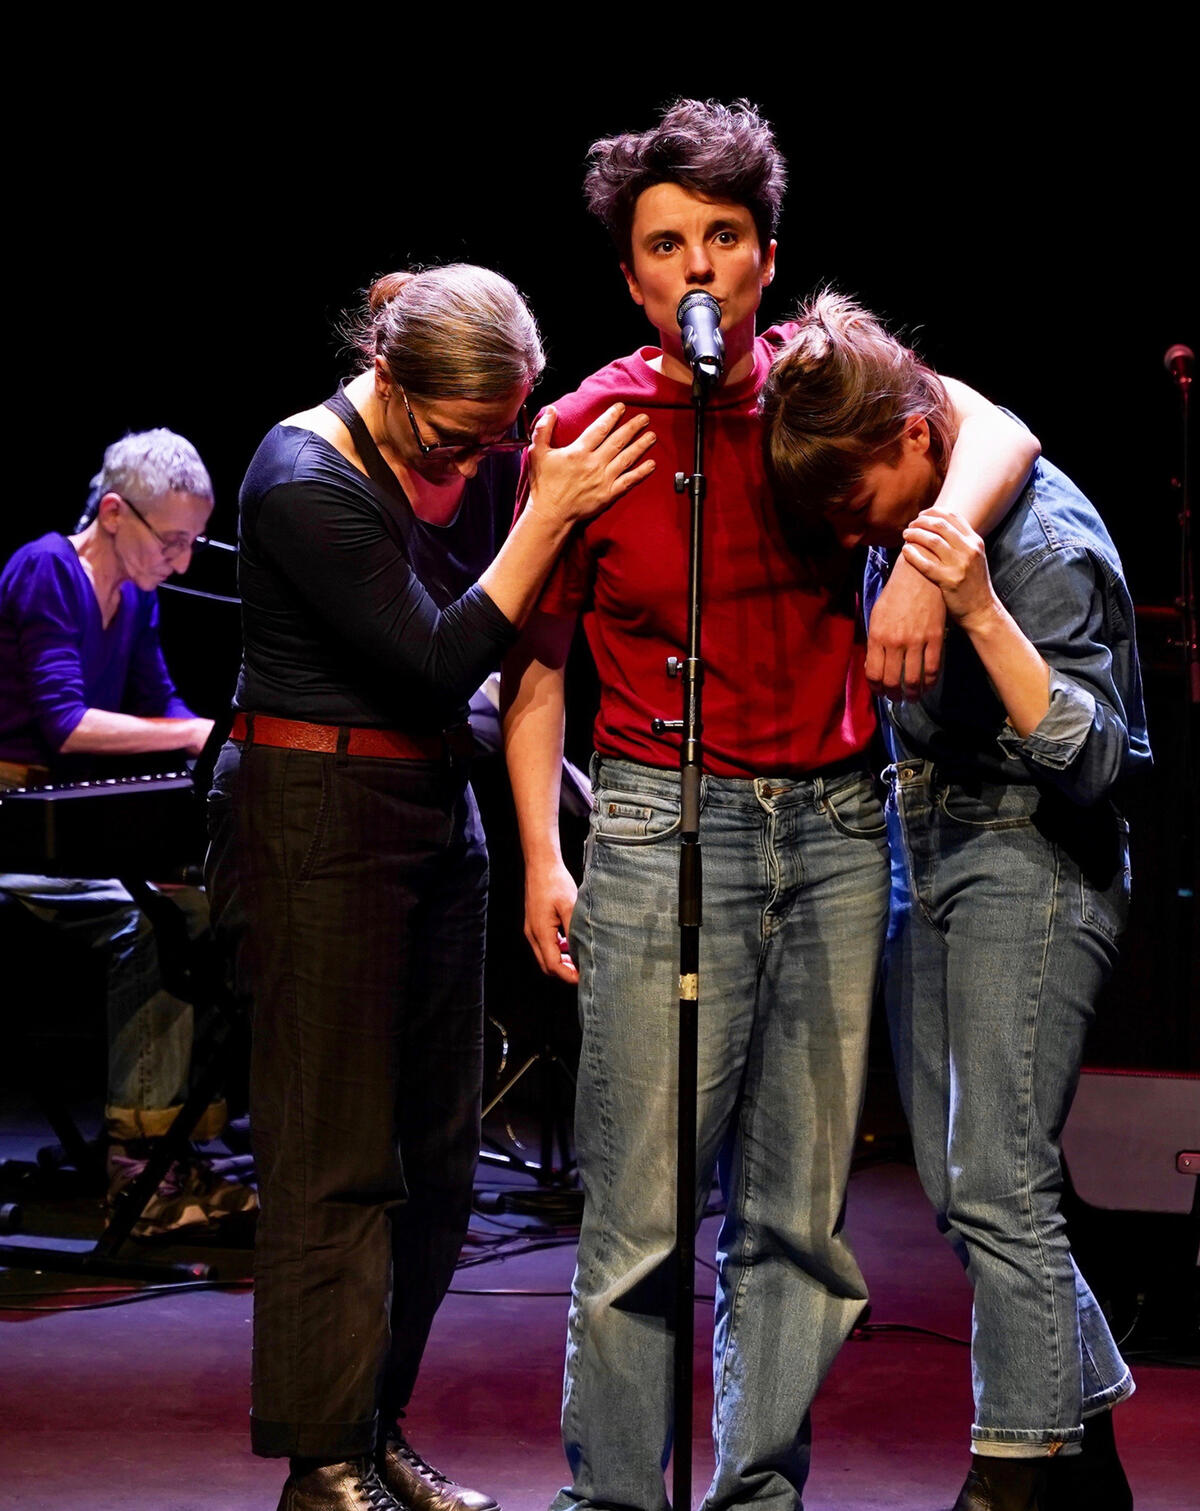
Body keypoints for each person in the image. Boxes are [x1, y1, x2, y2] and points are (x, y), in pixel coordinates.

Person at [500, 100, 1042, 1511]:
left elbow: (999, 426)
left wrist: (926, 556)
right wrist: (542, 855)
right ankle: (615, 1498)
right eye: (665, 243)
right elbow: (537, 668)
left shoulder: (821, 383)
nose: (697, 265)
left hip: (838, 829)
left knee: (798, 1213)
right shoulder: (586, 429)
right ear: (632, 277)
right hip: (657, 826)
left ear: (766, 256)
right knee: (639, 1211)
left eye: (724, 237)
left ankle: (758, 1494)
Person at [204, 264, 656, 1511]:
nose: (479, 456)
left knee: (440, 1160)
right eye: (459, 434)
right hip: (314, 812)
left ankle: (371, 1424)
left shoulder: (475, 452)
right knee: (336, 1155)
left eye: (498, 434)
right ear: (388, 375)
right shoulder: (300, 475)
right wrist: (546, 513)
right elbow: (436, 655)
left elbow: (495, 653)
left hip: (428, 805)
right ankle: (321, 1461)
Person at [762, 291, 1148, 1511]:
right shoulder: (925, 451)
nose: (847, 531)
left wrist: (970, 601)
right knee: (960, 1184)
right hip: (924, 842)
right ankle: (1087, 1459)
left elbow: (1101, 761)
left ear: (914, 440)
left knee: (999, 1182)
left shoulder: (1043, 547)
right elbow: (961, 399)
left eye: (854, 502)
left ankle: (1011, 1477)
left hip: (1031, 856)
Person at [0, 428, 256, 1235]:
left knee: (210, 907)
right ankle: (136, 1167)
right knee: (151, 922)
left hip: (71, 833)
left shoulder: (137, 596)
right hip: (14, 826)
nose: (179, 563)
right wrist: (192, 734)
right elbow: (67, 724)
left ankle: (180, 1145)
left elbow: (163, 705)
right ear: (114, 512)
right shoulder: (46, 569)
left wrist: (226, 738)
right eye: (170, 541)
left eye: (191, 543)